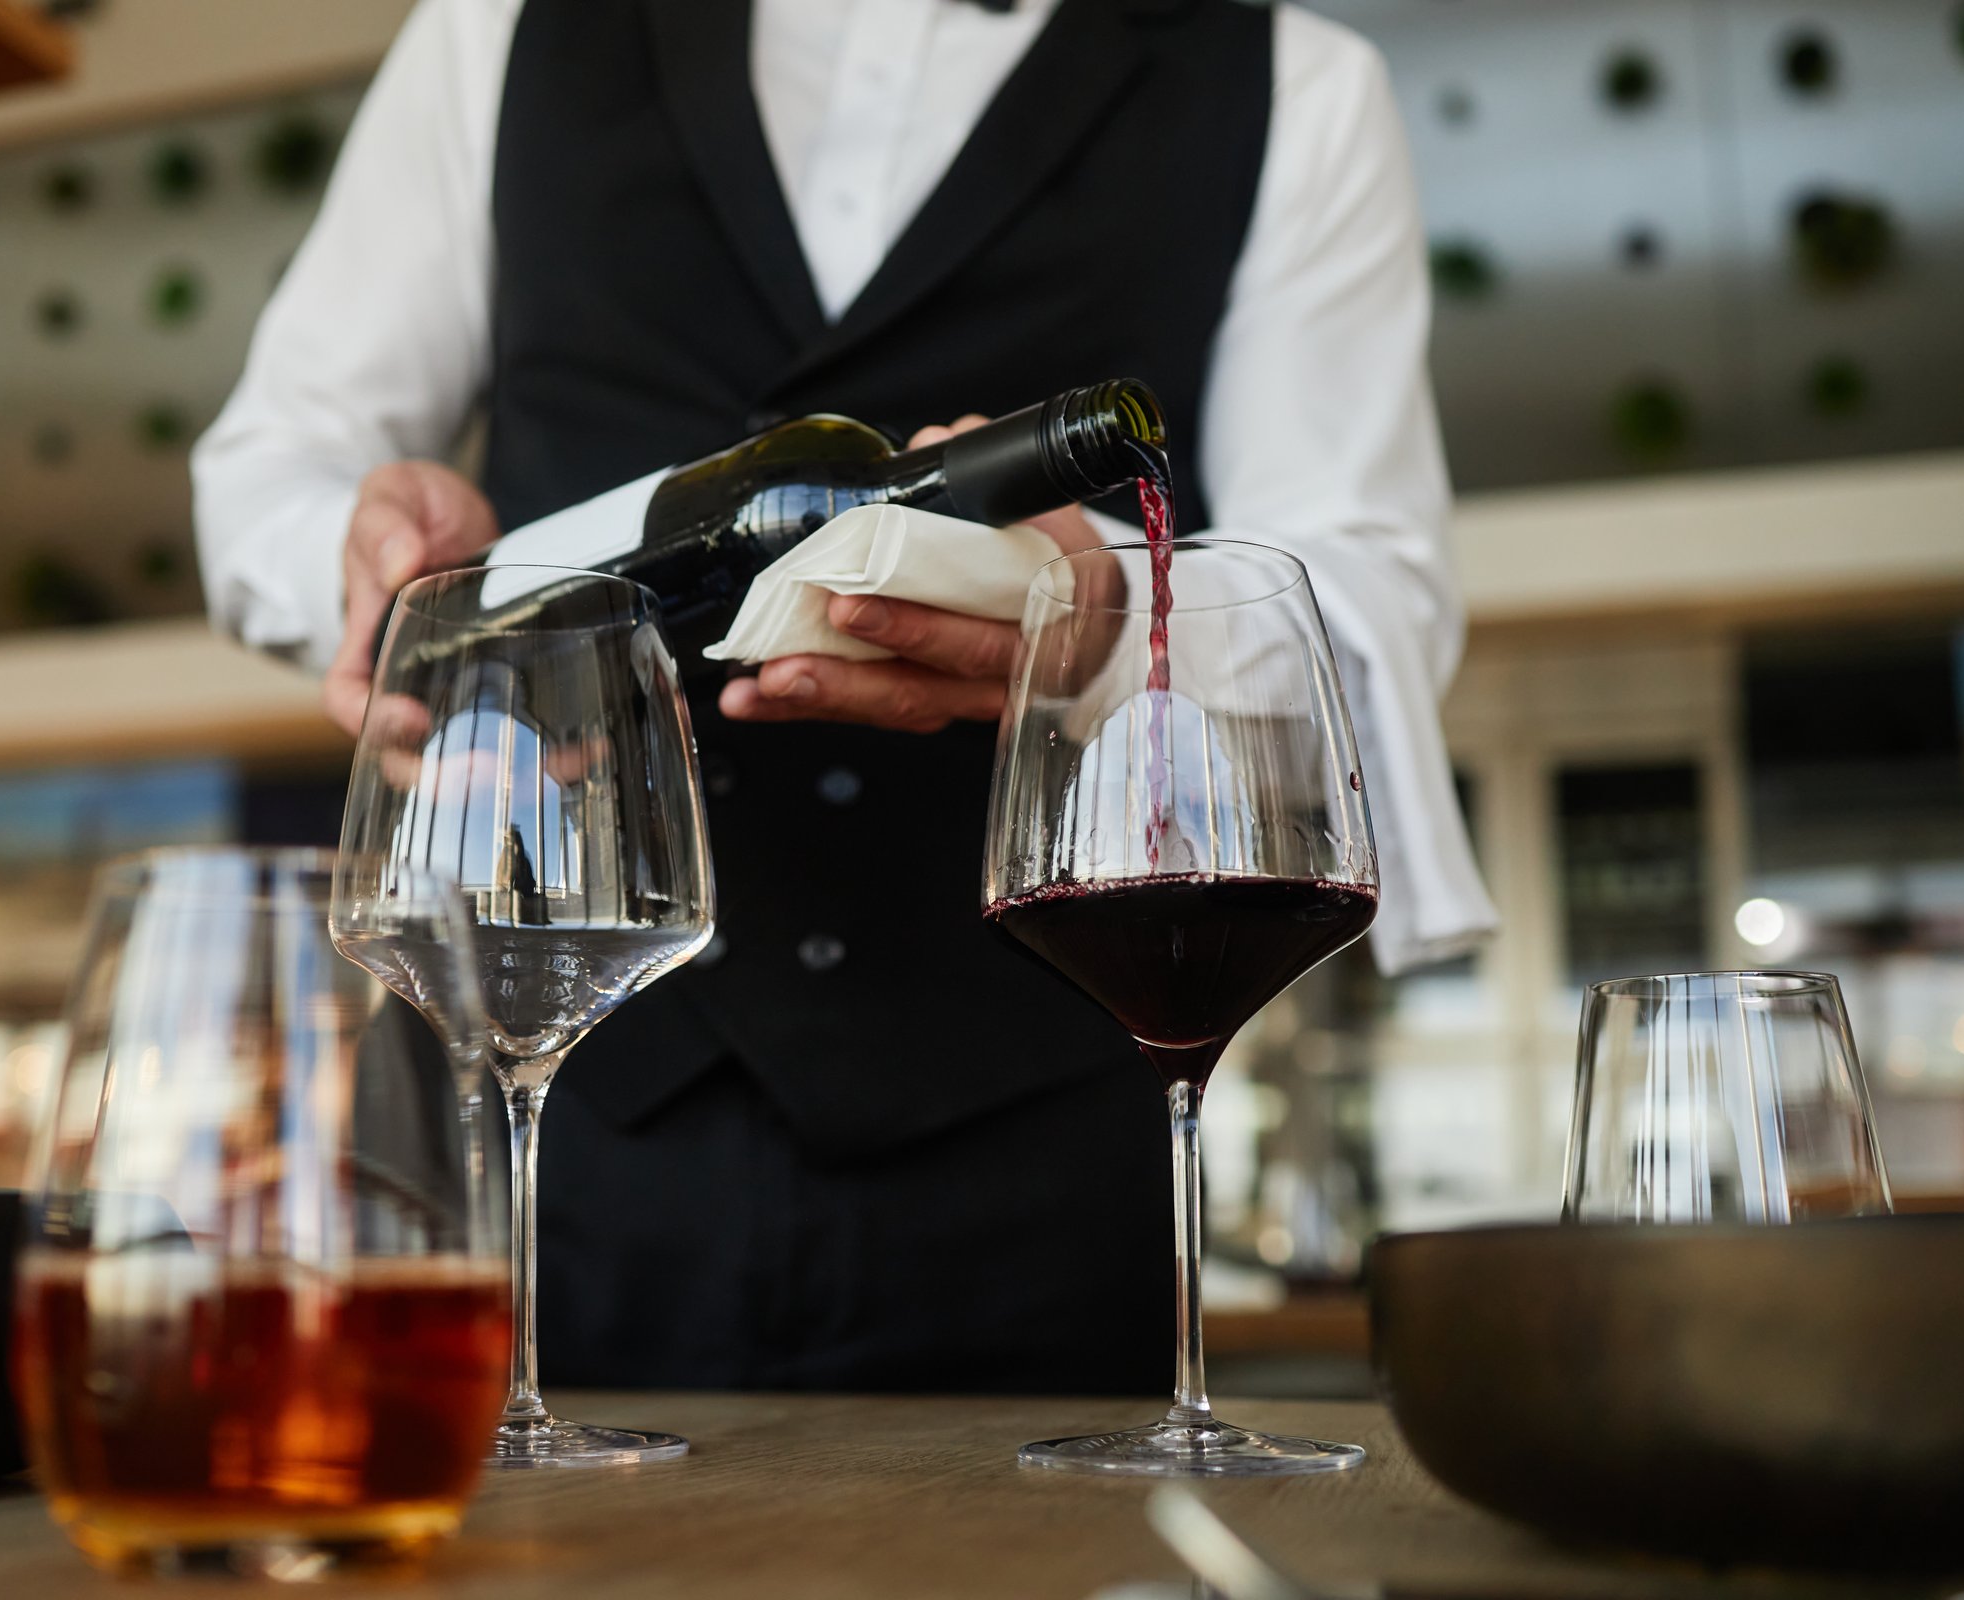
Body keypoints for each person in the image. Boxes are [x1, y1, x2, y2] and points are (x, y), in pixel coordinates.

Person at [195, 0, 1494, 1393]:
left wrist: (1104, 609)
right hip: (520, 1076)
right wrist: (375, 560)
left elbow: (1371, 604)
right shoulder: (500, 28)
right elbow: (271, 476)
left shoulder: (1293, 78)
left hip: (1030, 1144)